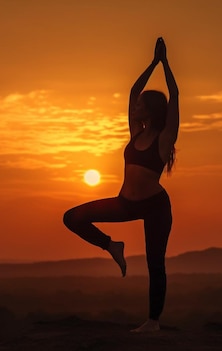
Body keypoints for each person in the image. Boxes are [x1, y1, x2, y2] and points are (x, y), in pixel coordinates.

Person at [63, 37, 179, 333]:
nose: (135, 106)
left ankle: (153, 322)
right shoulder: (136, 133)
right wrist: (152, 62)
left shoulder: (164, 139)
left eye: (141, 105)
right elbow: (132, 91)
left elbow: (175, 96)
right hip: (125, 202)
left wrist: (165, 64)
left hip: (155, 207)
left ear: (151, 111)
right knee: (72, 217)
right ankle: (112, 245)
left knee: (156, 263)